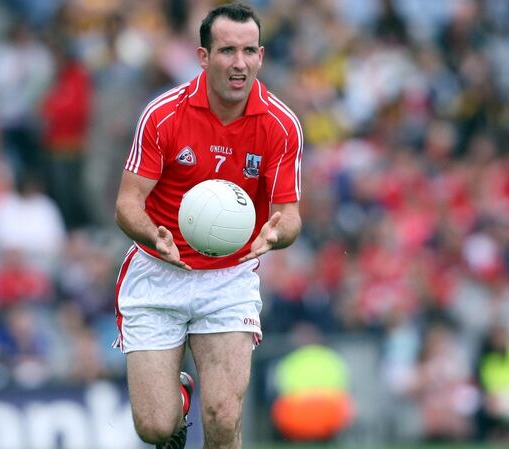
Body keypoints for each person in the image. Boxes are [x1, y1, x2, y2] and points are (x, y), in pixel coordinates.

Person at [112, 3, 303, 449]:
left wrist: (274, 236)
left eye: (249, 51)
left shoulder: (281, 125)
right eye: (227, 51)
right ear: (203, 57)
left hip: (228, 278)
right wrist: (151, 235)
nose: (239, 63)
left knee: (222, 417)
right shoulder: (163, 114)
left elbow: (290, 215)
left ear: (261, 56)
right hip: (159, 271)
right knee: (156, 427)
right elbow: (127, 203)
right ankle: (176, 392)